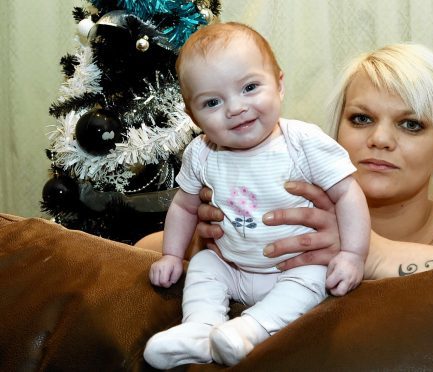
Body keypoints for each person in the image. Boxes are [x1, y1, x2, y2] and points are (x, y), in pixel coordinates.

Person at [195, 42, 433, 282]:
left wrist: (376, 254)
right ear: (333, 137)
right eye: (361, 119)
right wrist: (208, 244)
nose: (380, 139)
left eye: (411, 124)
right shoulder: (291, 220)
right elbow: (143, 252)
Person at [143, 22, 370, 369]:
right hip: (232, 265)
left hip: (290, 270)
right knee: (204, 264)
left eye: (250, 87)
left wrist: (353, 253)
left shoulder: (302, 142)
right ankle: (201, 331)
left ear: (279, 84)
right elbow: (184, 206)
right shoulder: (201, 153)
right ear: (192, 115)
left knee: (313, 277)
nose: (235, 108)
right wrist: (173, 255)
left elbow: (348, 193)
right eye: (212, 102)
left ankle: (249, 330)